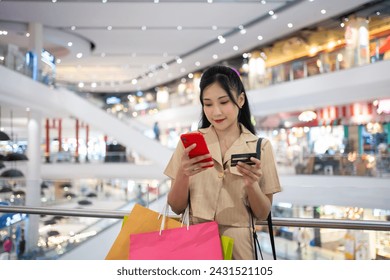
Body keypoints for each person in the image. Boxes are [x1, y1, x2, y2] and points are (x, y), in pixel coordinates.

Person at [164, 65, 281, 259]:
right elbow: (175, 206)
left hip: (240, 250)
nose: (216, 112)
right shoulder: (189, 145)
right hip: (196, 245)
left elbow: (262, 213)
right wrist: (183, 175)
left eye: (224, 102)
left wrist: (252, 185)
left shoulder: (260, 147)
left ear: (240, 100)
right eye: (208, 104)